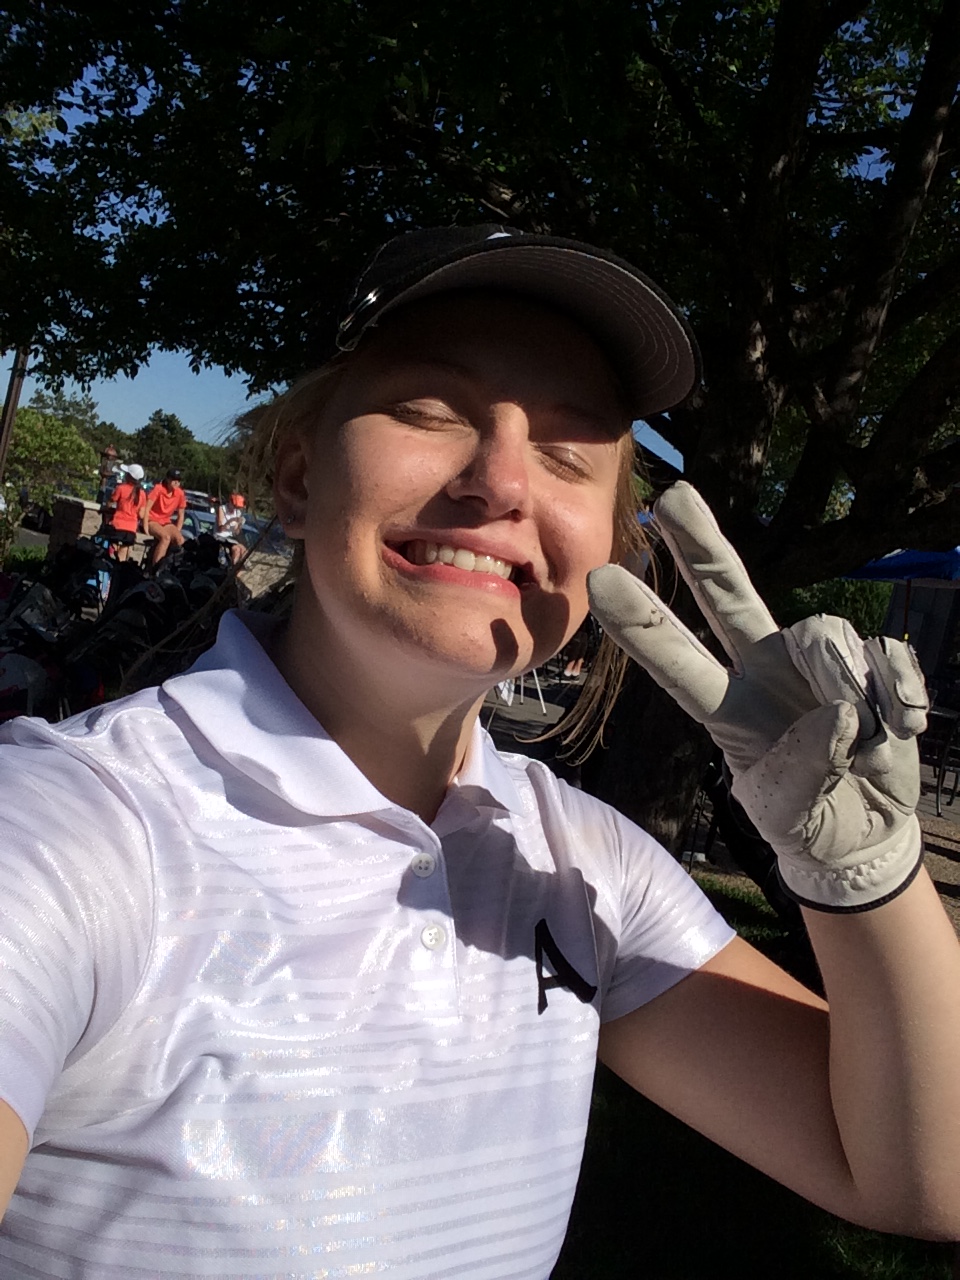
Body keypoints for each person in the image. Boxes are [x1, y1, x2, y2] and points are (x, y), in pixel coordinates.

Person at [1, 224, 960, 1277]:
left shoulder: (588, 864)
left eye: (569, 451)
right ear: (298, 475)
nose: (501, 481)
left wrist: (865, 873)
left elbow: (924, 1176)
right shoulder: (69, 828)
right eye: (430, 409)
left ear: (607, 548)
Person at [99, 462, 145, 561]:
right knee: (123, 555)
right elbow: (141, 514)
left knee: (111, 545)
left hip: (117, 526)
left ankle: (111, 555)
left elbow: (109, 503)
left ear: (129, 476)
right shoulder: (142, 494)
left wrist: (104, 507)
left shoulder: (121, 488)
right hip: (131, 529)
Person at [142, 466, 187, 567]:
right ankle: (157, 567)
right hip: (152, 519)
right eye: (174, 480)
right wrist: (145, 526)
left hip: (166, 521)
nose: (176, 482)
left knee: (180, 540)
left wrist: (177, 530)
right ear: (168, 479)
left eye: (178, 480)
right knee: (165, 537)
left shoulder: (180, 493)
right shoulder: (158, 489)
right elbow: (147, 508)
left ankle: (172, 565)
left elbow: (181, 515)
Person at [215, 489, 248, 564]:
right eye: (234, 506)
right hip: (221, 536)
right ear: (230, 502)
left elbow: (236, 532)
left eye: (237, 507)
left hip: (231, 538)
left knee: (243, 549)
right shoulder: (222, 509)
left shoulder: (237, 512)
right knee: (236, 549)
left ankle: (239, 566)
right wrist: (231, 520)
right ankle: (233, 566)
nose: (235, 509)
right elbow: (220, 529)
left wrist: (239, 524)